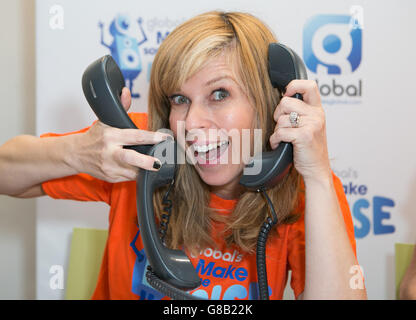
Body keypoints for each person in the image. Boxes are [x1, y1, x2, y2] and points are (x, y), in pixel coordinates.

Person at [0, 11, 366, 300]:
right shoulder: (144, 149)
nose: (190, 122)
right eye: (180, 100)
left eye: (219, 94)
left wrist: (316, 174)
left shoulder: (305, 187)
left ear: (270, 100)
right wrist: (75, 153)